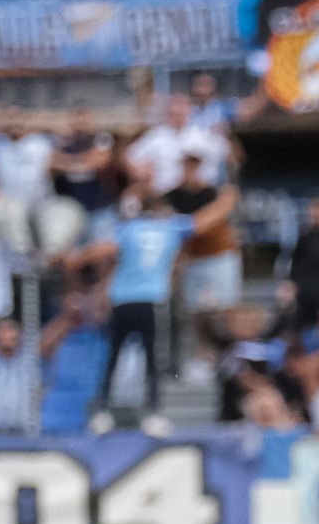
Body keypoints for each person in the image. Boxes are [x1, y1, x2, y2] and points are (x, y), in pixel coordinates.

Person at [76, 184, 238, 435]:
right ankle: (152, 413)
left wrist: (71, 263)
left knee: (113, 358)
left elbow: (100, 251)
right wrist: (228, 200)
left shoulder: (127, 230)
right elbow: (205, 221)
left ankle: (103, 413)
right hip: (150, 300)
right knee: (152, 359)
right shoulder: (171, 227)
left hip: (121, 299)